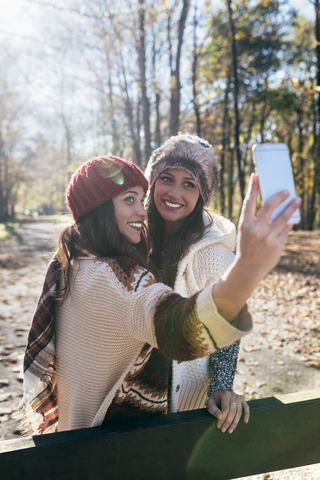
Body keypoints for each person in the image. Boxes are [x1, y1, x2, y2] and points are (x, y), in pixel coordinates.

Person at [19, 154, 299, 435]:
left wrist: (221, 383)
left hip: (73, 436)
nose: (141, 211)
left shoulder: (72, 257)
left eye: (141, 200)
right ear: (100, 208)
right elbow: (182, 330)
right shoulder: (120, 278)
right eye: (129, 199)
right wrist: (247, 269)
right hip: (109, 449)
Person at [145, 133, 299, 434]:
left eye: (189, 183)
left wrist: (222, 385)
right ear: (152, 180)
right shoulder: (134, 233)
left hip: (181, 392)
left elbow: (227, 318)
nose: (175, 192)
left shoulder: (214, 253)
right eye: (167, 178)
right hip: (129, 394)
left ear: (203, 193)